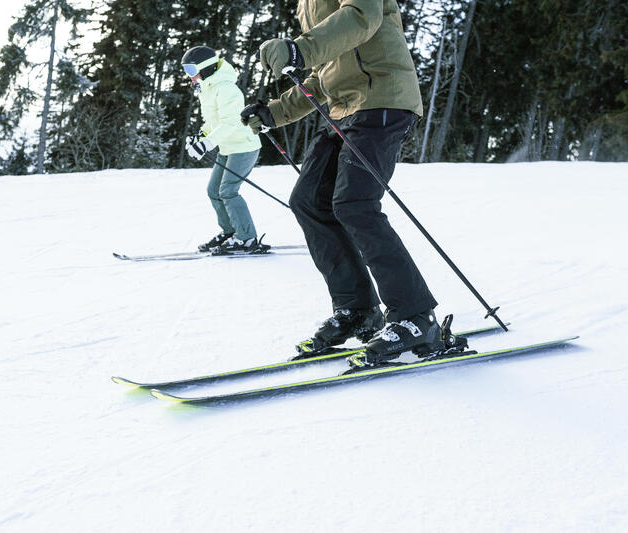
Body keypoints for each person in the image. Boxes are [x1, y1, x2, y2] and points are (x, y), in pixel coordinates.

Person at [241, 0, 443, 363]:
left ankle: (415, 315)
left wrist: (297, 49)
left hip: (383, 96)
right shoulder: (307, 4)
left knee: (356, 203)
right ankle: (358, 310)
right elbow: (322, 75)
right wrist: (274, 112)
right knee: (308, 201)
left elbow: (362, 17)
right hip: (344, 108)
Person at [182, 46, 268, 255]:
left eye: (192, 70)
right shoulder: (208, 88)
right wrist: (201, 137)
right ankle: (231, 231)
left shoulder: (227, 88)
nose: (190, 76)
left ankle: (247, 238)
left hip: (243, 147)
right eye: (186, 70)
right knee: (214, 191)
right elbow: (213, 122)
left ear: (206, 67)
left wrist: (206, 144)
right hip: (228, 147)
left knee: (228, 191)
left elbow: (230, 123)